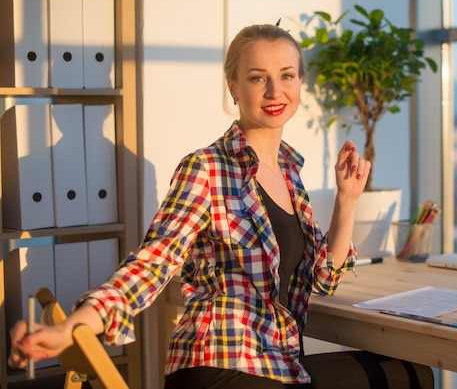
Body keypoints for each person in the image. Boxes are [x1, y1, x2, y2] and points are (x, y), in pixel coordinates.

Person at [9, 23, 433, 388]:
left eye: (286, 75)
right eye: (256, 78)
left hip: (275, 363)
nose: (274, 90)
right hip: (221, 368)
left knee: (412, 373)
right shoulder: (206, 167)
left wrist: (347, 199)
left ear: (300, 83)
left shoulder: (289, 172)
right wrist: (76, 324)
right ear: (233, 86)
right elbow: (152, 262)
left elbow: (323, 277)